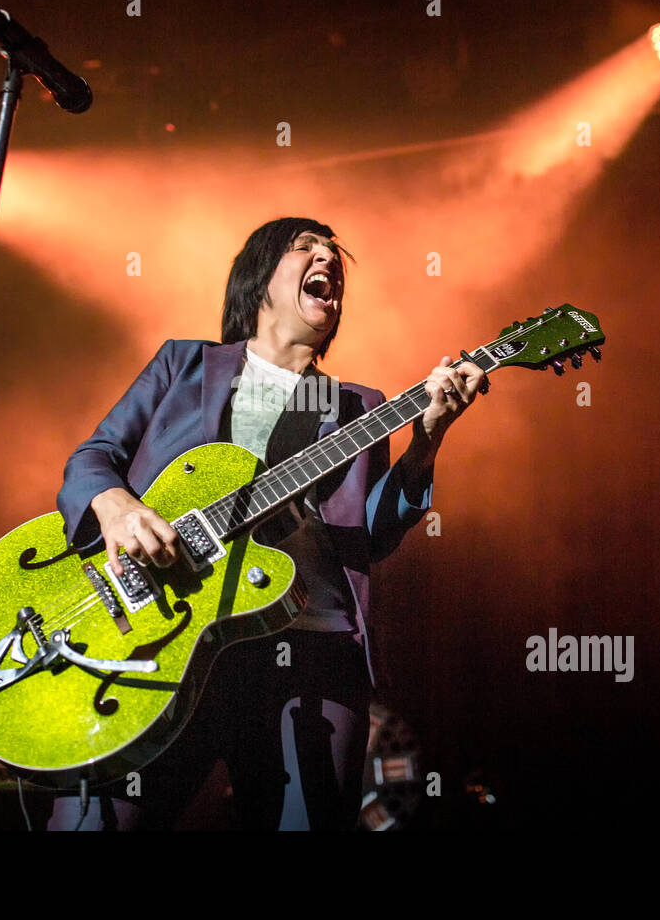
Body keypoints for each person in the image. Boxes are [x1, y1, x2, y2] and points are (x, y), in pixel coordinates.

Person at [47, 217, 485, 830]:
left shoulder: (360, 406)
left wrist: (425, 446)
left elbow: (374, 535)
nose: (326, 257)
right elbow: (94, 458)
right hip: (166, 638)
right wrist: (118, 507)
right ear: (259, 282)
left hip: (310, 649)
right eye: (304, 248)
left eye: (333, 254)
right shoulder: (184, 366)